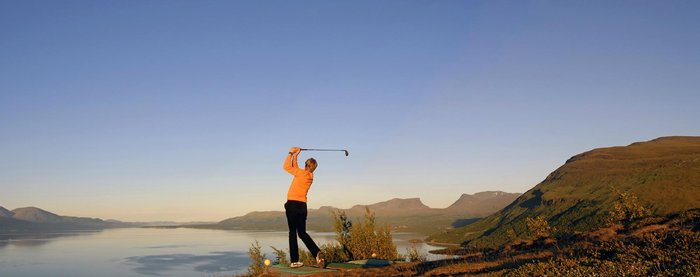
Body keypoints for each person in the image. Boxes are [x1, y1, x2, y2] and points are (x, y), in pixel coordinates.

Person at [283, 147, 324, 268]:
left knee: (292, 233)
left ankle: (294, 260)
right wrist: (296, 156)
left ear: (306, 165)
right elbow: (295, 168)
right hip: (302, 206)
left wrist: (290, 152)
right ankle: (316, 253)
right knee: (302, 233)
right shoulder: (310, 176)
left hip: (292, 205)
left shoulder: (301, 173)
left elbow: (286, 167)